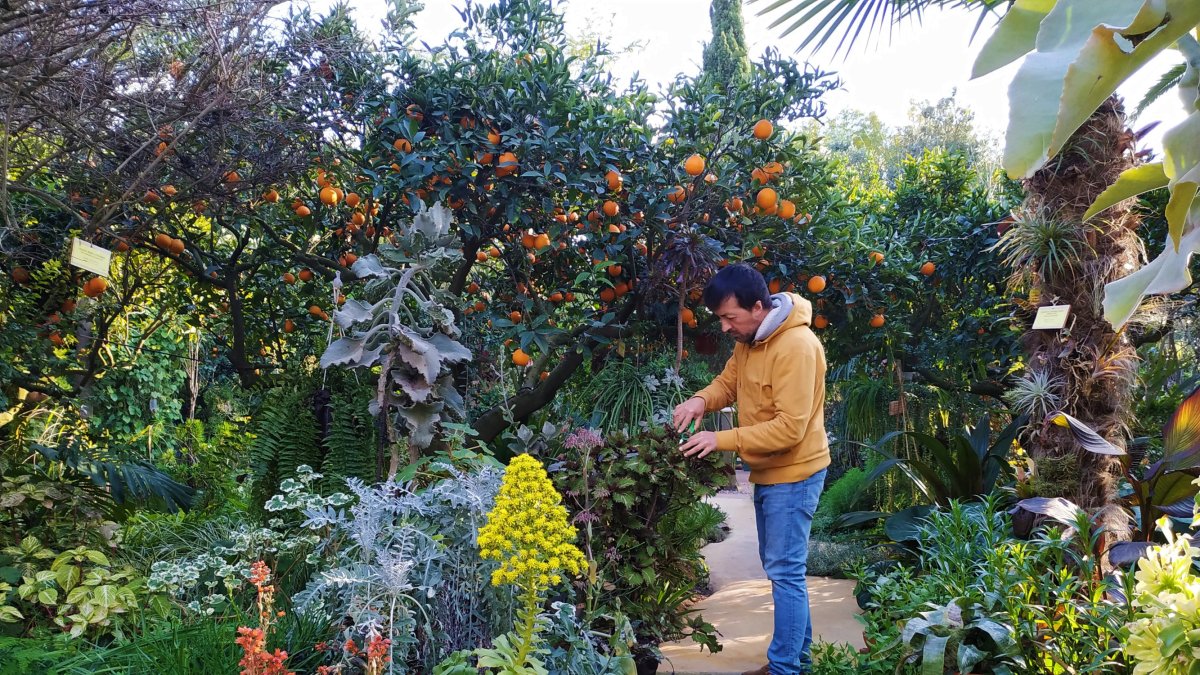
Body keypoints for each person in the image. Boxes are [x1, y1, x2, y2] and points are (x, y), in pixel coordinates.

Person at [673, 263, 829, 675]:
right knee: (782, 569)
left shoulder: (796, 346)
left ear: (758, 307)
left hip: (795, 473)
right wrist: (700, 401)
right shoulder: (751, 341)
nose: (725, 328)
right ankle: (796, 661)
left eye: (730, 317)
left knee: (785, 572)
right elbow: (728, 383)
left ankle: (785, 668)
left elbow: (789, 429)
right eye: (721, 319)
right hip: (771, 473)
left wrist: (719, 439)